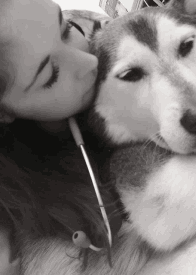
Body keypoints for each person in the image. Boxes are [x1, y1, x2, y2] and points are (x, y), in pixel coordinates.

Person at [0, 1, 114, 274]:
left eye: (66, 30)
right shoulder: (17, 211)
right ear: (4, 113)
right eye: (52, 76)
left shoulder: (98, 29)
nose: (91, 62)